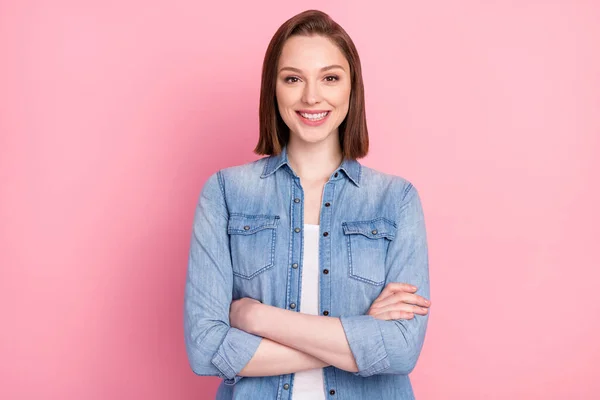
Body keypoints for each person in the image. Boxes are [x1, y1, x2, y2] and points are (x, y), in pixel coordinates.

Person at [184, 9, 431, 400]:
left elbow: (401, 350)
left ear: (352, 89)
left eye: (330, 78)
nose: (311, 96)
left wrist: (256, 317)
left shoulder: (395, 200)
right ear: (273, 88)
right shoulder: (226, 192)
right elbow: (206, 349)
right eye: (293, 79)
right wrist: (360, 336)